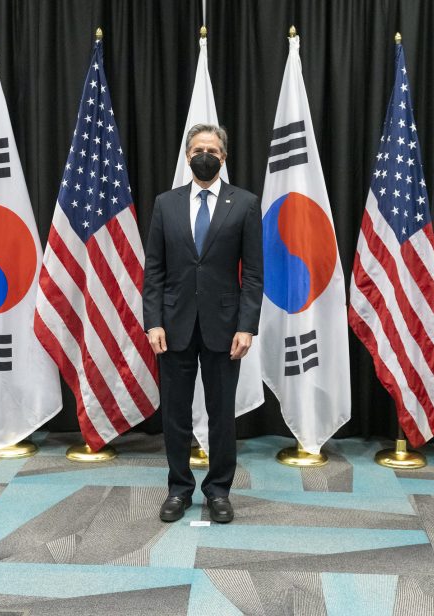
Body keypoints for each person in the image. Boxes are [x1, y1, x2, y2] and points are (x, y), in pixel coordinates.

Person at [143, 124, 263, 524]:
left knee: (221, 415)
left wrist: (247, 326)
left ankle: (218, 491)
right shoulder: (166, 204)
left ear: (223, 157)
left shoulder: (244, 204)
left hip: (225, 328)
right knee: (175, 415)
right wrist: (153, 321)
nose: (204, 156)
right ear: (187, 156)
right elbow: (154, 270)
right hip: (173, 326)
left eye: (212, 150)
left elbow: (254, 274)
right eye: (197, 150)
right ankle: (179, 489)